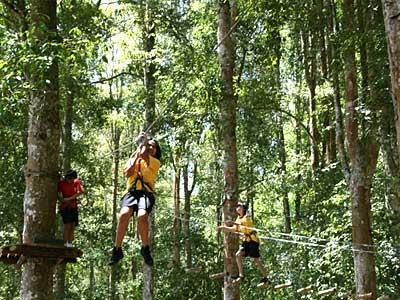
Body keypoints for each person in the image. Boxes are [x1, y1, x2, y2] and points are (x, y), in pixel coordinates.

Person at [109, 132, 162, 266]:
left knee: (142, 216)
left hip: (145, 193)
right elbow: (127, 173)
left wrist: (143, 142)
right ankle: (117, 249)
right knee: (124, 214)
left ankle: (145, 248)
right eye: (149, 145)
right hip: (131, 192)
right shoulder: (135, 157)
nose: (150, 148)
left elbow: (145, 155)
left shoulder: (155, 162)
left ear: (156, 151)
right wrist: (135, 157)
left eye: (153, 147)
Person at [217, 201, 271, 287]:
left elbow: (245, 225)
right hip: (246, 241)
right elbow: (234, 229)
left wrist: (233, 223)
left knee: (256, 260)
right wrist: (223, 227)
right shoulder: (238, 219)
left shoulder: (247, 216)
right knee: (238, 255)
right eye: (237, 206)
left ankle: (266, 277)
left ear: (243, 209)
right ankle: (241, 275)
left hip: (253, 241)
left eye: (240, 206)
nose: (238, 208)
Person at [57, 170, 85, 248]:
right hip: (65, 207)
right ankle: (65, 243)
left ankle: (69, 243)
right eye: (69, 179)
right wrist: (63, 199)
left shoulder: (76, 182)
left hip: (73, 206)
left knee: (73, 225)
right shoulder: (61, 183)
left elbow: (81, 191)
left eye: (72, 179)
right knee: (67, 225)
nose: (70, 181)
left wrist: (70, 198)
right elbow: (59, 194)